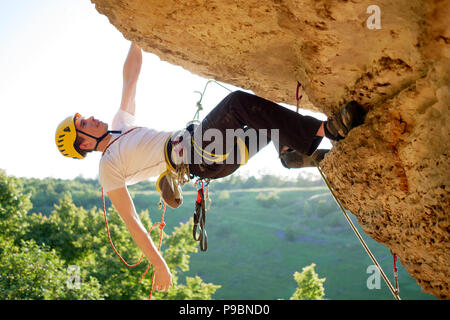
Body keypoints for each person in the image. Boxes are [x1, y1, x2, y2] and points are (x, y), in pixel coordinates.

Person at [55, 42, 366, 293]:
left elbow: (130, 78)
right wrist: (159, 263)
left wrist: (135, 37)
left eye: (86, 117)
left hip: (214, 156)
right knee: (236, 105)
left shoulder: (121, 127)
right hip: (199, 155)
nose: (91, 118)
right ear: (82, 144)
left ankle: (287, 152)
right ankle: (326, 131)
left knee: (261, 112)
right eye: (83, 124)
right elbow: (132, 221)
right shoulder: (109, 167)